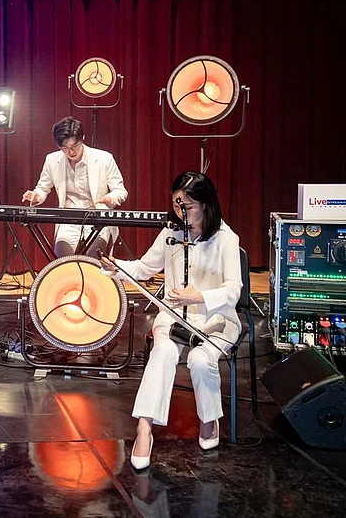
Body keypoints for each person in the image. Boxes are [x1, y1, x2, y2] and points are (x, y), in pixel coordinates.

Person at [99, 171, 242, 470]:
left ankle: (209, 419)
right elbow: (144, 268)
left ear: (205, 204)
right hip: (175, 316)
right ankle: (144, 428)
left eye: (187, 206)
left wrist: (199, 297)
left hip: (217, 319)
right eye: (177, 205)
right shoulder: (171, 233)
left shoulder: (226, 238)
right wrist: (117, 268)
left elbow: (233, 291)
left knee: (200, 360)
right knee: (163, 352)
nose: (180, 212)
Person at [22, 116, 128, 258]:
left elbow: (120, 191)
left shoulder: (104, 158)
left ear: (82, 138)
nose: (70, 152)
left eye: (74, 146)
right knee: (63, 260)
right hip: (68, 221)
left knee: (93, 259)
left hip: (98, 219)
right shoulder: (52, 160)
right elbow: (43, 188)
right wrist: (36, 195)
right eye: (64, 148)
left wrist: (111, 198)